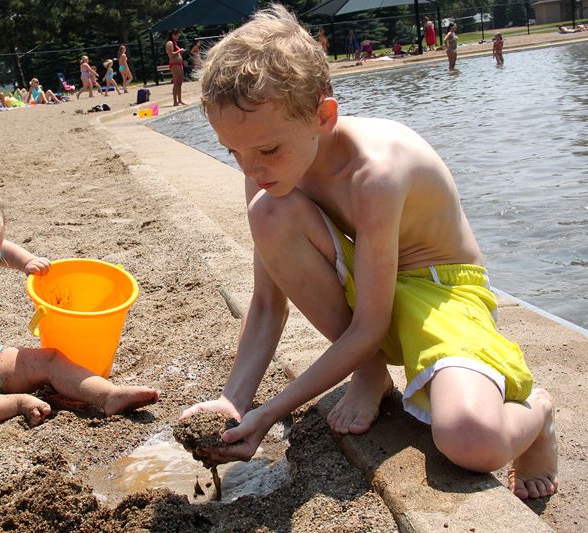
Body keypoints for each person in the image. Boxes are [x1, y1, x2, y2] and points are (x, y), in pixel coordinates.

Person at [181, 5, 558, 501]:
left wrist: (269, 413)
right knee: (268, 213)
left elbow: (371, 325)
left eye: (267, 151)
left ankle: (541, 414)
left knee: (470, 439)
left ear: (323, 115)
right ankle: (371, 370)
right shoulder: (264, 168)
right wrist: (233, 404)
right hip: (369, 288)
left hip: (440, 295)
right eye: (235, 153)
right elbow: (269, 305)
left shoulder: (376, 174)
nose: (252, 168)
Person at [0, 187, 159, 435]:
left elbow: (2, 248)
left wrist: (25, 260)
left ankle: (108, 395)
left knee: (50, 359)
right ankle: (16, 404)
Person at [165, 29, 186, 106]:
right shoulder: (169, 43)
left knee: (180, 83)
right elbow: (170, 54)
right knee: (176, 82)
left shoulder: (174, 43)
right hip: (174, 64)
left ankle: (180, 100)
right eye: (177, 35)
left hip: (179, 63)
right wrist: (179, 51)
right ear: (173, 35)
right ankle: (175, 101)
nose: (178, 37)